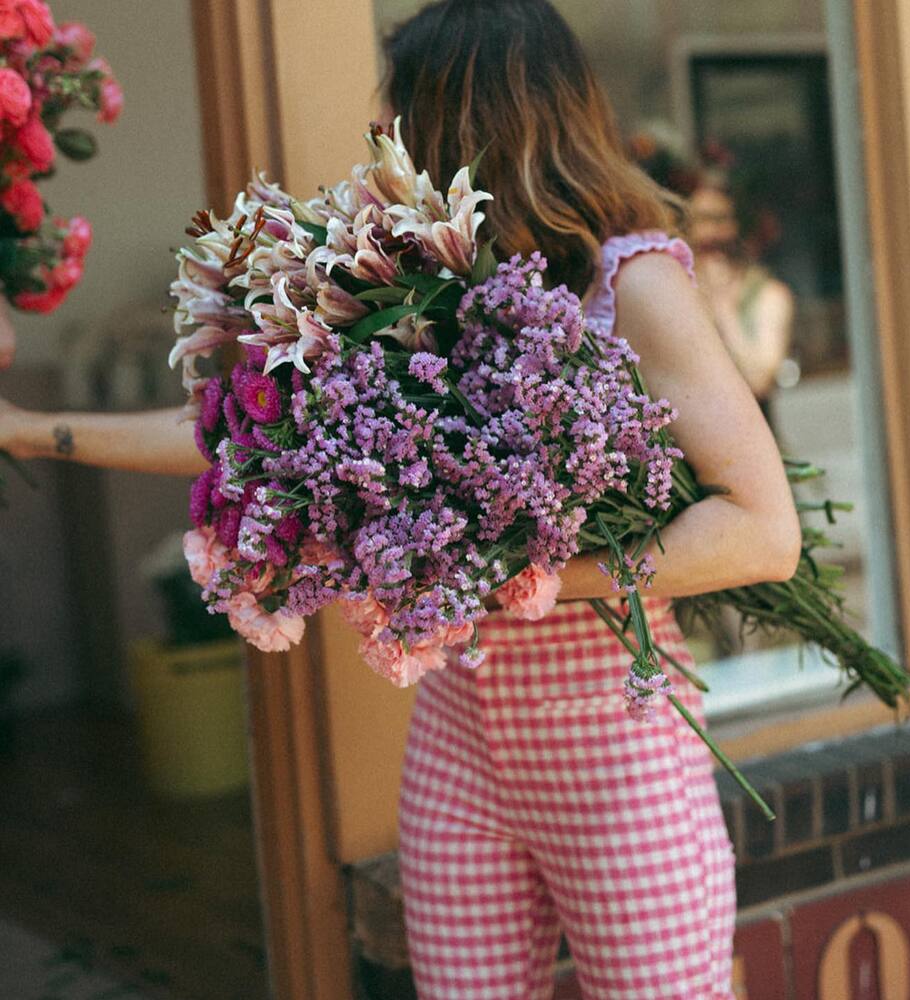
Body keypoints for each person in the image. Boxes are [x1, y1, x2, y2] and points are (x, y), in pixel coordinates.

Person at [1, 1, 801, 996]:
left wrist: (531, 573)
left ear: (465, 124)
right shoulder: (408, 286)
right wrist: (23, 427)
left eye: (397, 120)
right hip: (460, 749)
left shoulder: (629, 279)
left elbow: (762, 532)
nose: (381, 143)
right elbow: (241, 442)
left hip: (617, 754)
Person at [630, 135, 795, 427]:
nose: (712, 235)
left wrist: (721, 307)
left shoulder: (768, 295)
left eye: (721, 220)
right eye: (701, 221)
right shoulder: (665, 292)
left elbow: (759, 380)